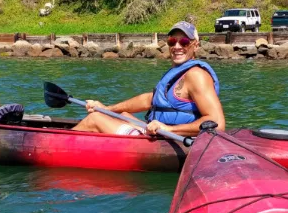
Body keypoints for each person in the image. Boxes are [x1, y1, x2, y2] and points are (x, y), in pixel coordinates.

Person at [71, 22, 225, 137]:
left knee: (95, 119)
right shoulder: (178, 73)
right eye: (172, 41)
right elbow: (149, 100)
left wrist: (169, 129)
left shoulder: (196, 75)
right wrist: (107, 108)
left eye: (184, 42)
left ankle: (55, 145)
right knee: (119, 115)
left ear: (195, 45)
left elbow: (216, 123)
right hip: (159, 133)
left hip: (172, 140)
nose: (177, 46)